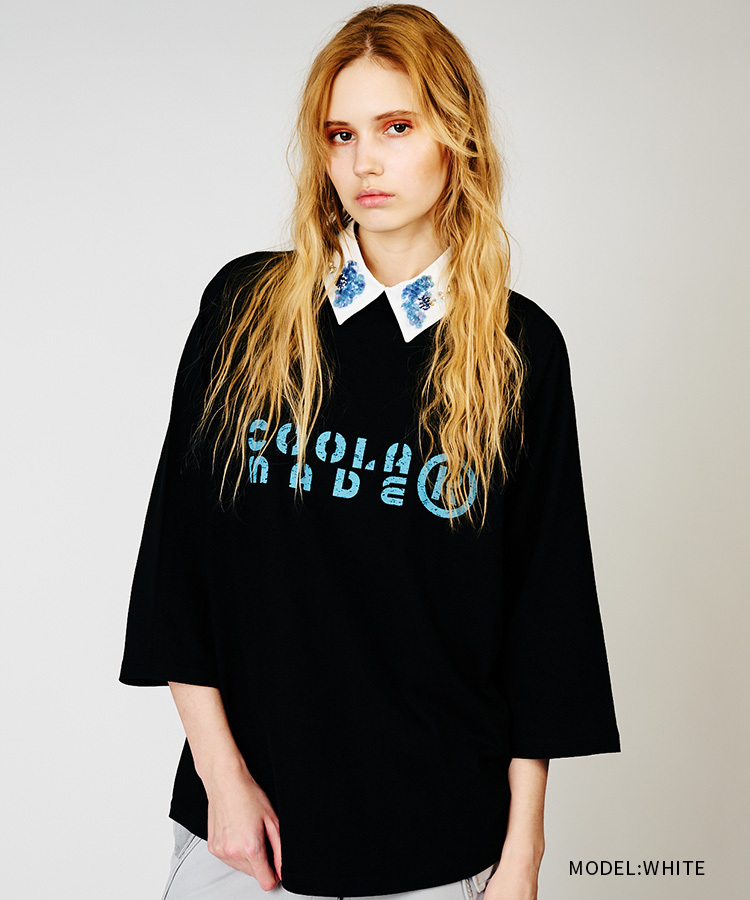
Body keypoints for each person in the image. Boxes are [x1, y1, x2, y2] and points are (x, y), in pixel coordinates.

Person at [119, 5, 621, 899]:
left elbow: (544, 619)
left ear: (457, 138)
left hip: (442, 839)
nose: (364, 163)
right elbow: (177, 567)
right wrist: (222, 780)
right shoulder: (245, 310)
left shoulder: (520, 349)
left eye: (396, 127)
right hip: (248, 838)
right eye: (340, 135)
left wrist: (523, 852)